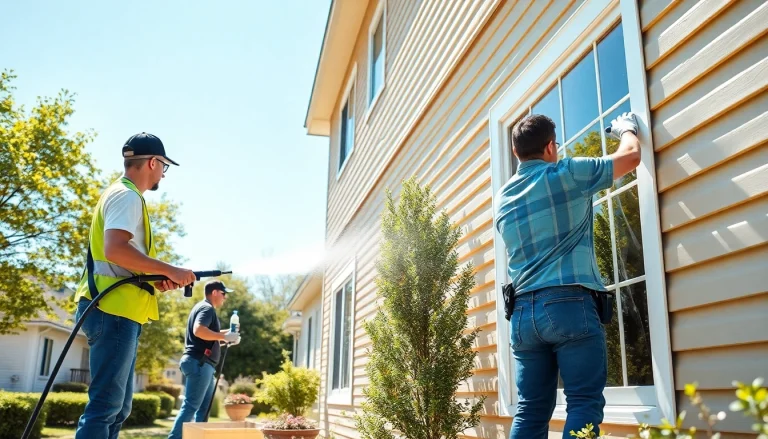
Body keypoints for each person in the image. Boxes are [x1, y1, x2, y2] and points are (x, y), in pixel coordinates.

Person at [493, 112, 641, 438]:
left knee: (530, 411)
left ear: (517, 153)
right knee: (583, 403)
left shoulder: (502, 199)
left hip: (522, 316)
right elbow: (630, 156)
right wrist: (626, 128)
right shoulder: (567, 173)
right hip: (567, 304)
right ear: (549, 147)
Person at [73, 132, 197, 439]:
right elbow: (115, 249)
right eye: (164, 168)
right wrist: (171, 269)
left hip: (116, 310)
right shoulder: (127, 195)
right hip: (112, 310)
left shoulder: (121, 194)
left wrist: (156, 280)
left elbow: (122, 261)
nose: (163, 176)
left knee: (118, 407)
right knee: (105, 407)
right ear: (153, 162)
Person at [168, 280, 242, 439]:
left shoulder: (201, 307)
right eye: (224, 294)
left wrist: (228, 336)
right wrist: (223, 336)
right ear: (214, 292)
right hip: (200, 364)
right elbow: (199, 330)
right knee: (191, 407)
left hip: (202, 364)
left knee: (204, 408)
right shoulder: (207, 308)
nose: (225, 298)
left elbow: (206, 336)